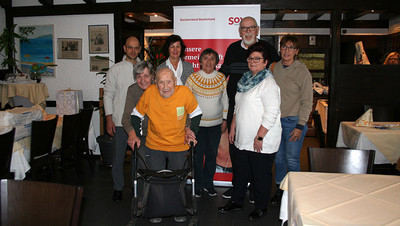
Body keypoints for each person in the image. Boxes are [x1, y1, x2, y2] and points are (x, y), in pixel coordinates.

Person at [130, 68, 202, 224]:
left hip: (179, 144)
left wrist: (192, 132)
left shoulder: (184, 92)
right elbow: (135, 114)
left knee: (179, 179)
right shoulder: (149, 93)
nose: (165, 86)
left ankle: (179, 208)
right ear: (156, 83)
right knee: (156, 178)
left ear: (175, 81)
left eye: (169, 81)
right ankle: (157, 210)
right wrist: (137, 135)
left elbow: (196, 112)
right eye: (161, 82)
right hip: (155, 144)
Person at [218, 42, 282, 221]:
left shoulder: (268, 83)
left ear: (265, 62)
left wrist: (260, 136)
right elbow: (237, 106)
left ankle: (261, 207)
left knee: (260, 175)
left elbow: (272, 113)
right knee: (240, 172)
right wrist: (233, 128)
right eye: (250, 58)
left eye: (257, 59)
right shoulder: (245, 79)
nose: (253, 61)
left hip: (261, 138)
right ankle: (237, 202)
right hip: (242, 137)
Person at [269, 35, 313, 206]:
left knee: (292, 159)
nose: (287, 50)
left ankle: (295, 193)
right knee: (278, 159)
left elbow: (307, 101)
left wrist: (300, 126)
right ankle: (280, 190)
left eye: (291, 47)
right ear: (280, 48)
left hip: (293, 122)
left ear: (297, 51)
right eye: (284, 47)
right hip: (276, 123)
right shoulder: (275, 68)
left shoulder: (302, 71)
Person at [185, 48, 228, 198]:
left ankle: (208, 184)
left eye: (212, 58)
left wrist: (224, 119)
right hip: (198, 127)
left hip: (216, 125)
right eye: (205, 58)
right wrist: (188, 124)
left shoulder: (221, 78)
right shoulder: (192, 78)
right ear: (200, 61)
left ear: (216, 61)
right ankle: (197, 185)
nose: (208, 62)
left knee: (211, 155)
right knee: (197, 156)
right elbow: (186, 101)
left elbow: (225, 100)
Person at [103, 36, 141, 202]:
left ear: (139, 49)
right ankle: (118, 188)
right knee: (118, 158)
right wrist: (108, 118)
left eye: (136, 47)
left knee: (137, 158)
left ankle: (135, 187)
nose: (133, 50)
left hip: (139, 122)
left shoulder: (144, 69)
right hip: (119, 122)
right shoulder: (115, 69)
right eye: (130, 47)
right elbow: (108, 95)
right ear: (124, 49)